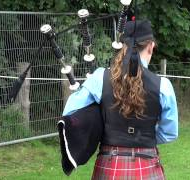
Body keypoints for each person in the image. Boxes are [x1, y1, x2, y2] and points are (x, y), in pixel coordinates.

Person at [62, 20, 178, 179]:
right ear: (151, 46)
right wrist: (145, 137)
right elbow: (170, 133)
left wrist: (100, 126)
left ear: (123, 46)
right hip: (146, 163)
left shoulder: (99, 78)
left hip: (108, 164)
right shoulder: (163, 86)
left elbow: (71, 113)